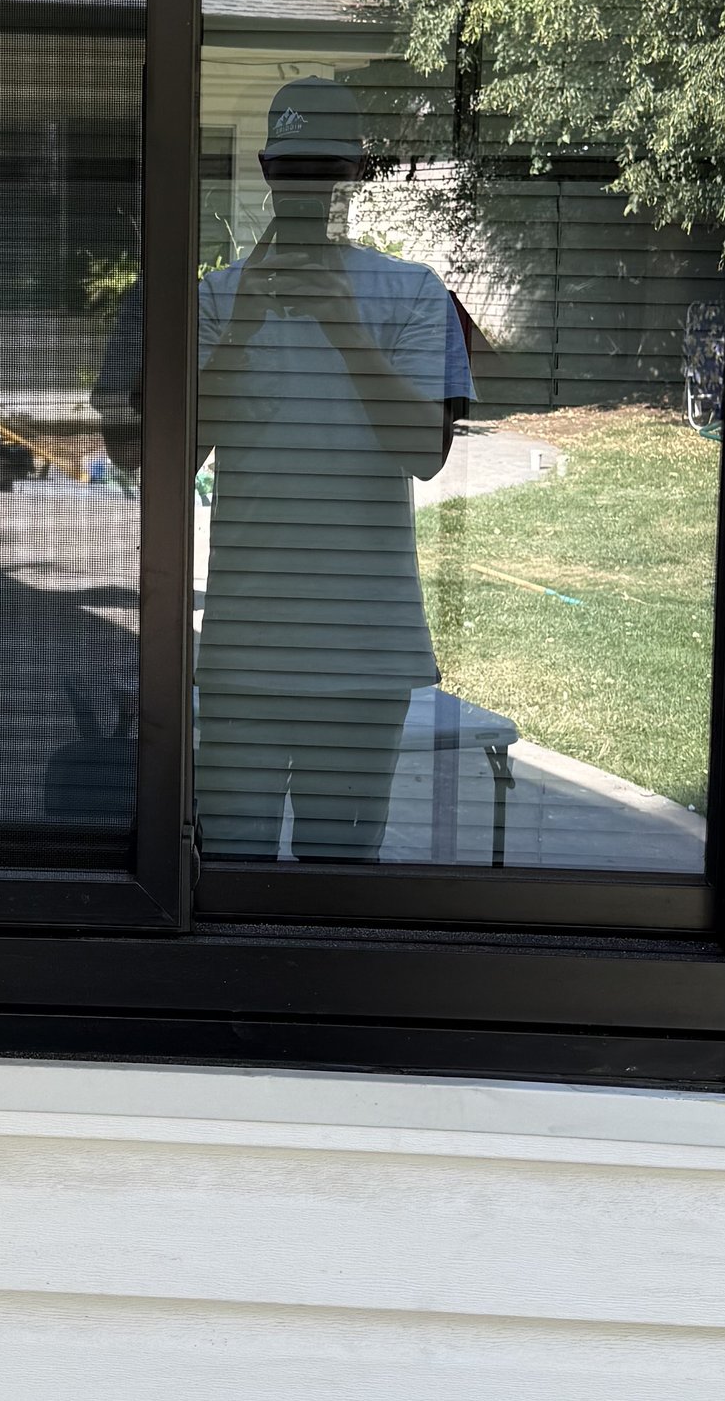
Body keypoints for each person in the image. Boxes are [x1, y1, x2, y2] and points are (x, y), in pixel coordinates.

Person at [94, 78, 471, 863]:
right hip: (244, 656)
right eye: (291, 170)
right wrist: (242, 329)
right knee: (229, 875)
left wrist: (344, 327)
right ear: (266, 169)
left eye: (323, 169)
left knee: (339, 885)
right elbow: (169, 462)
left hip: (366, 659)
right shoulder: (215, 301)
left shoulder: (412, 293)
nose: (306, 189)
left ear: (354, 172)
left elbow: (426, 454)